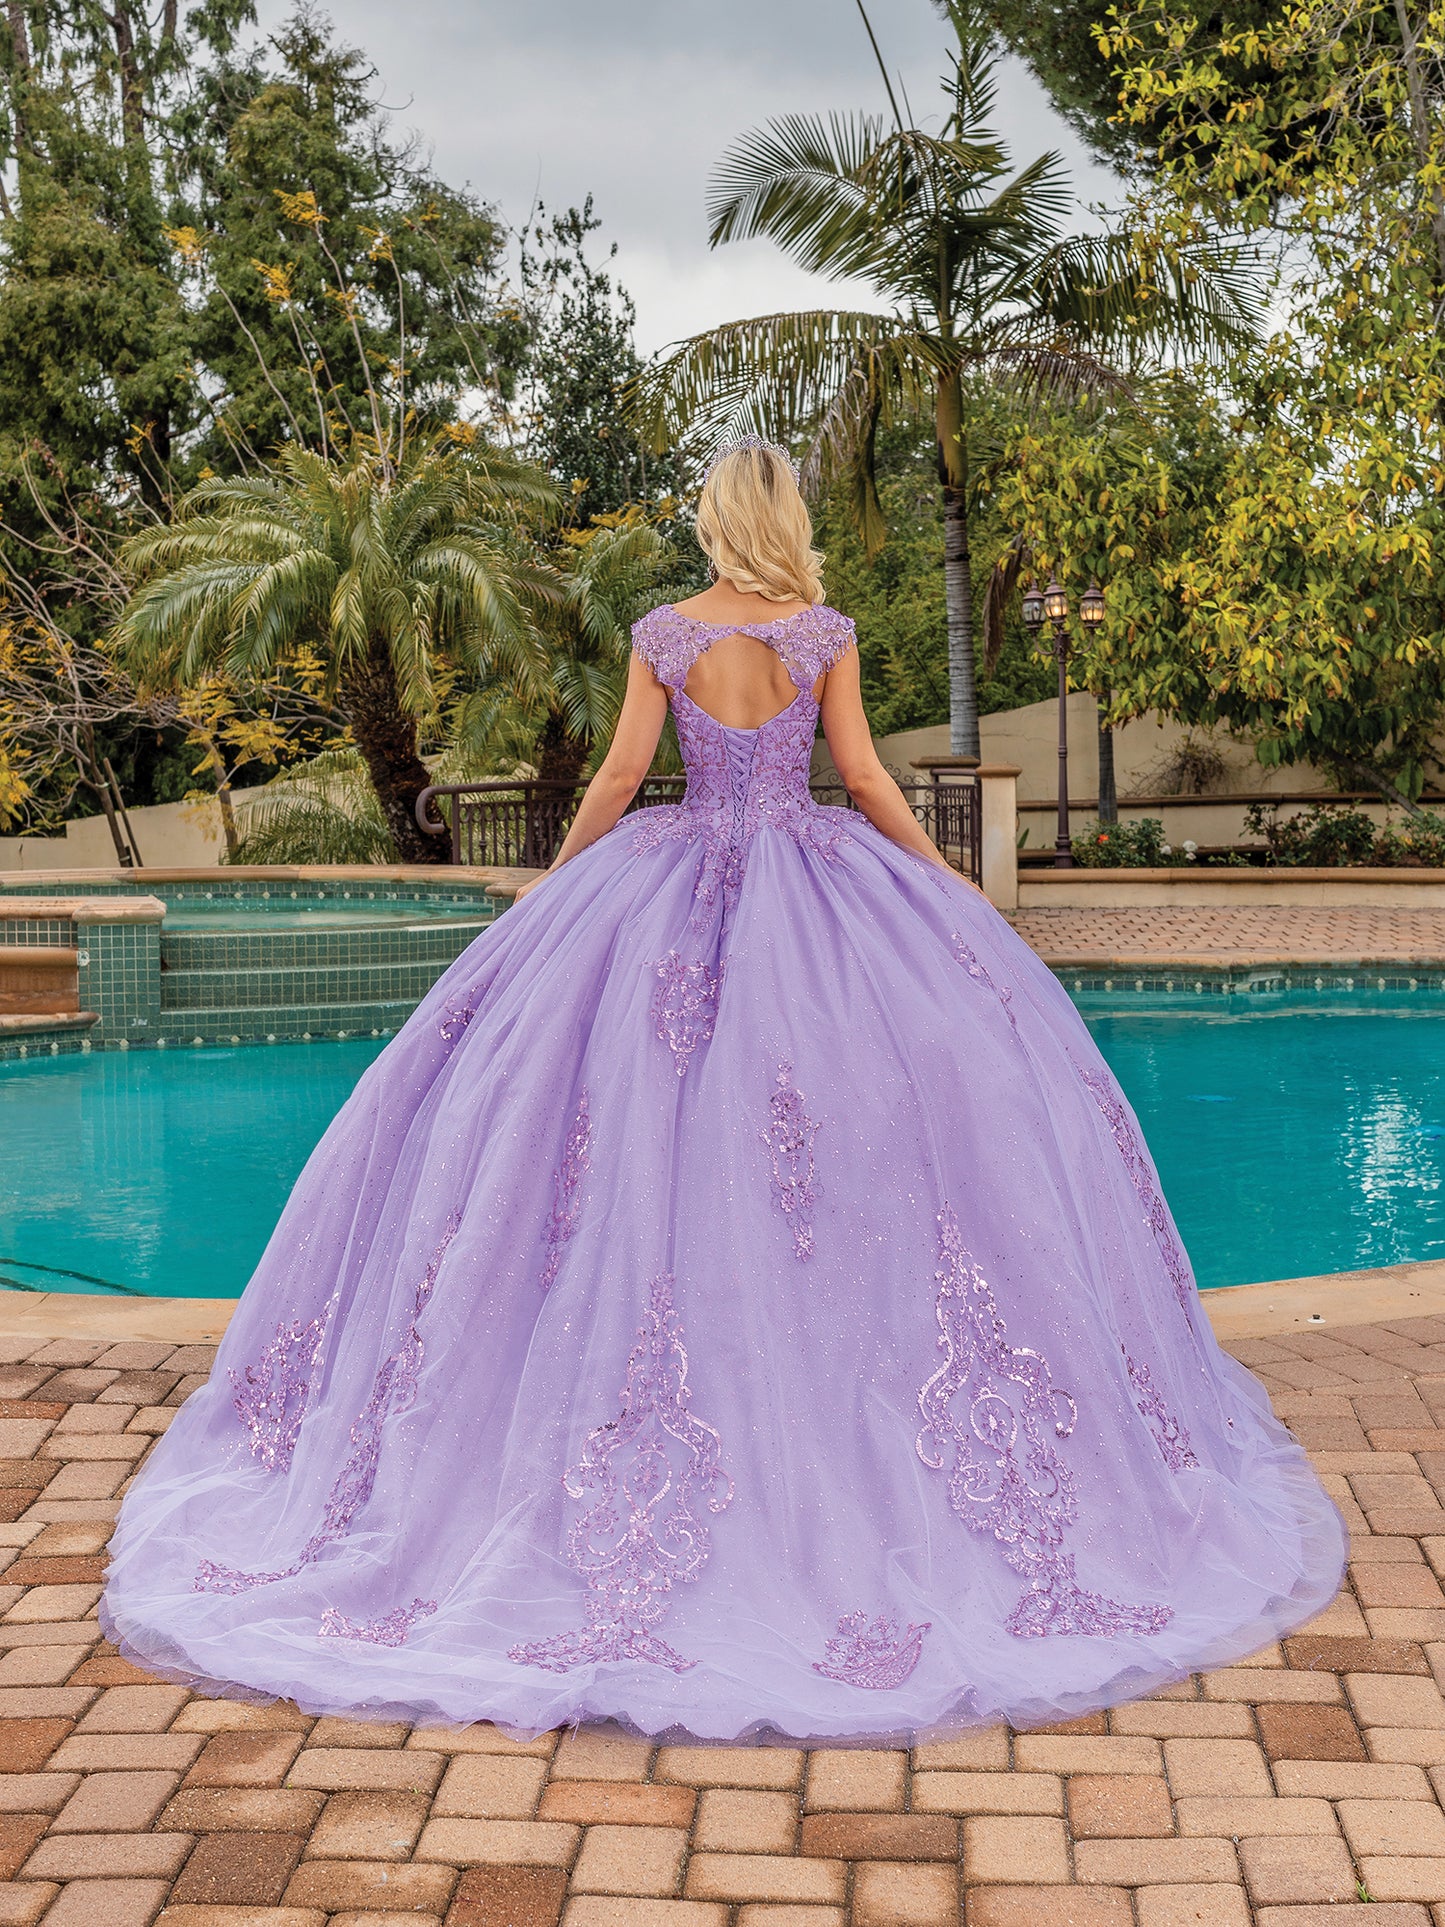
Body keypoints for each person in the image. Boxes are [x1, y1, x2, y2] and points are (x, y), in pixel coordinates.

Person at [101, 440, 1345, 1744]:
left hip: (665, 891)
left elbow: (623, 778)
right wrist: (947, 886)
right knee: (846, 1150)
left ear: (711, 521)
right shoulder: (819, 633)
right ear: (788, 523)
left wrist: (554, 887)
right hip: (819, 896)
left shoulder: (662, 632)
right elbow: (859, 777)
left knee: (637, 1150)